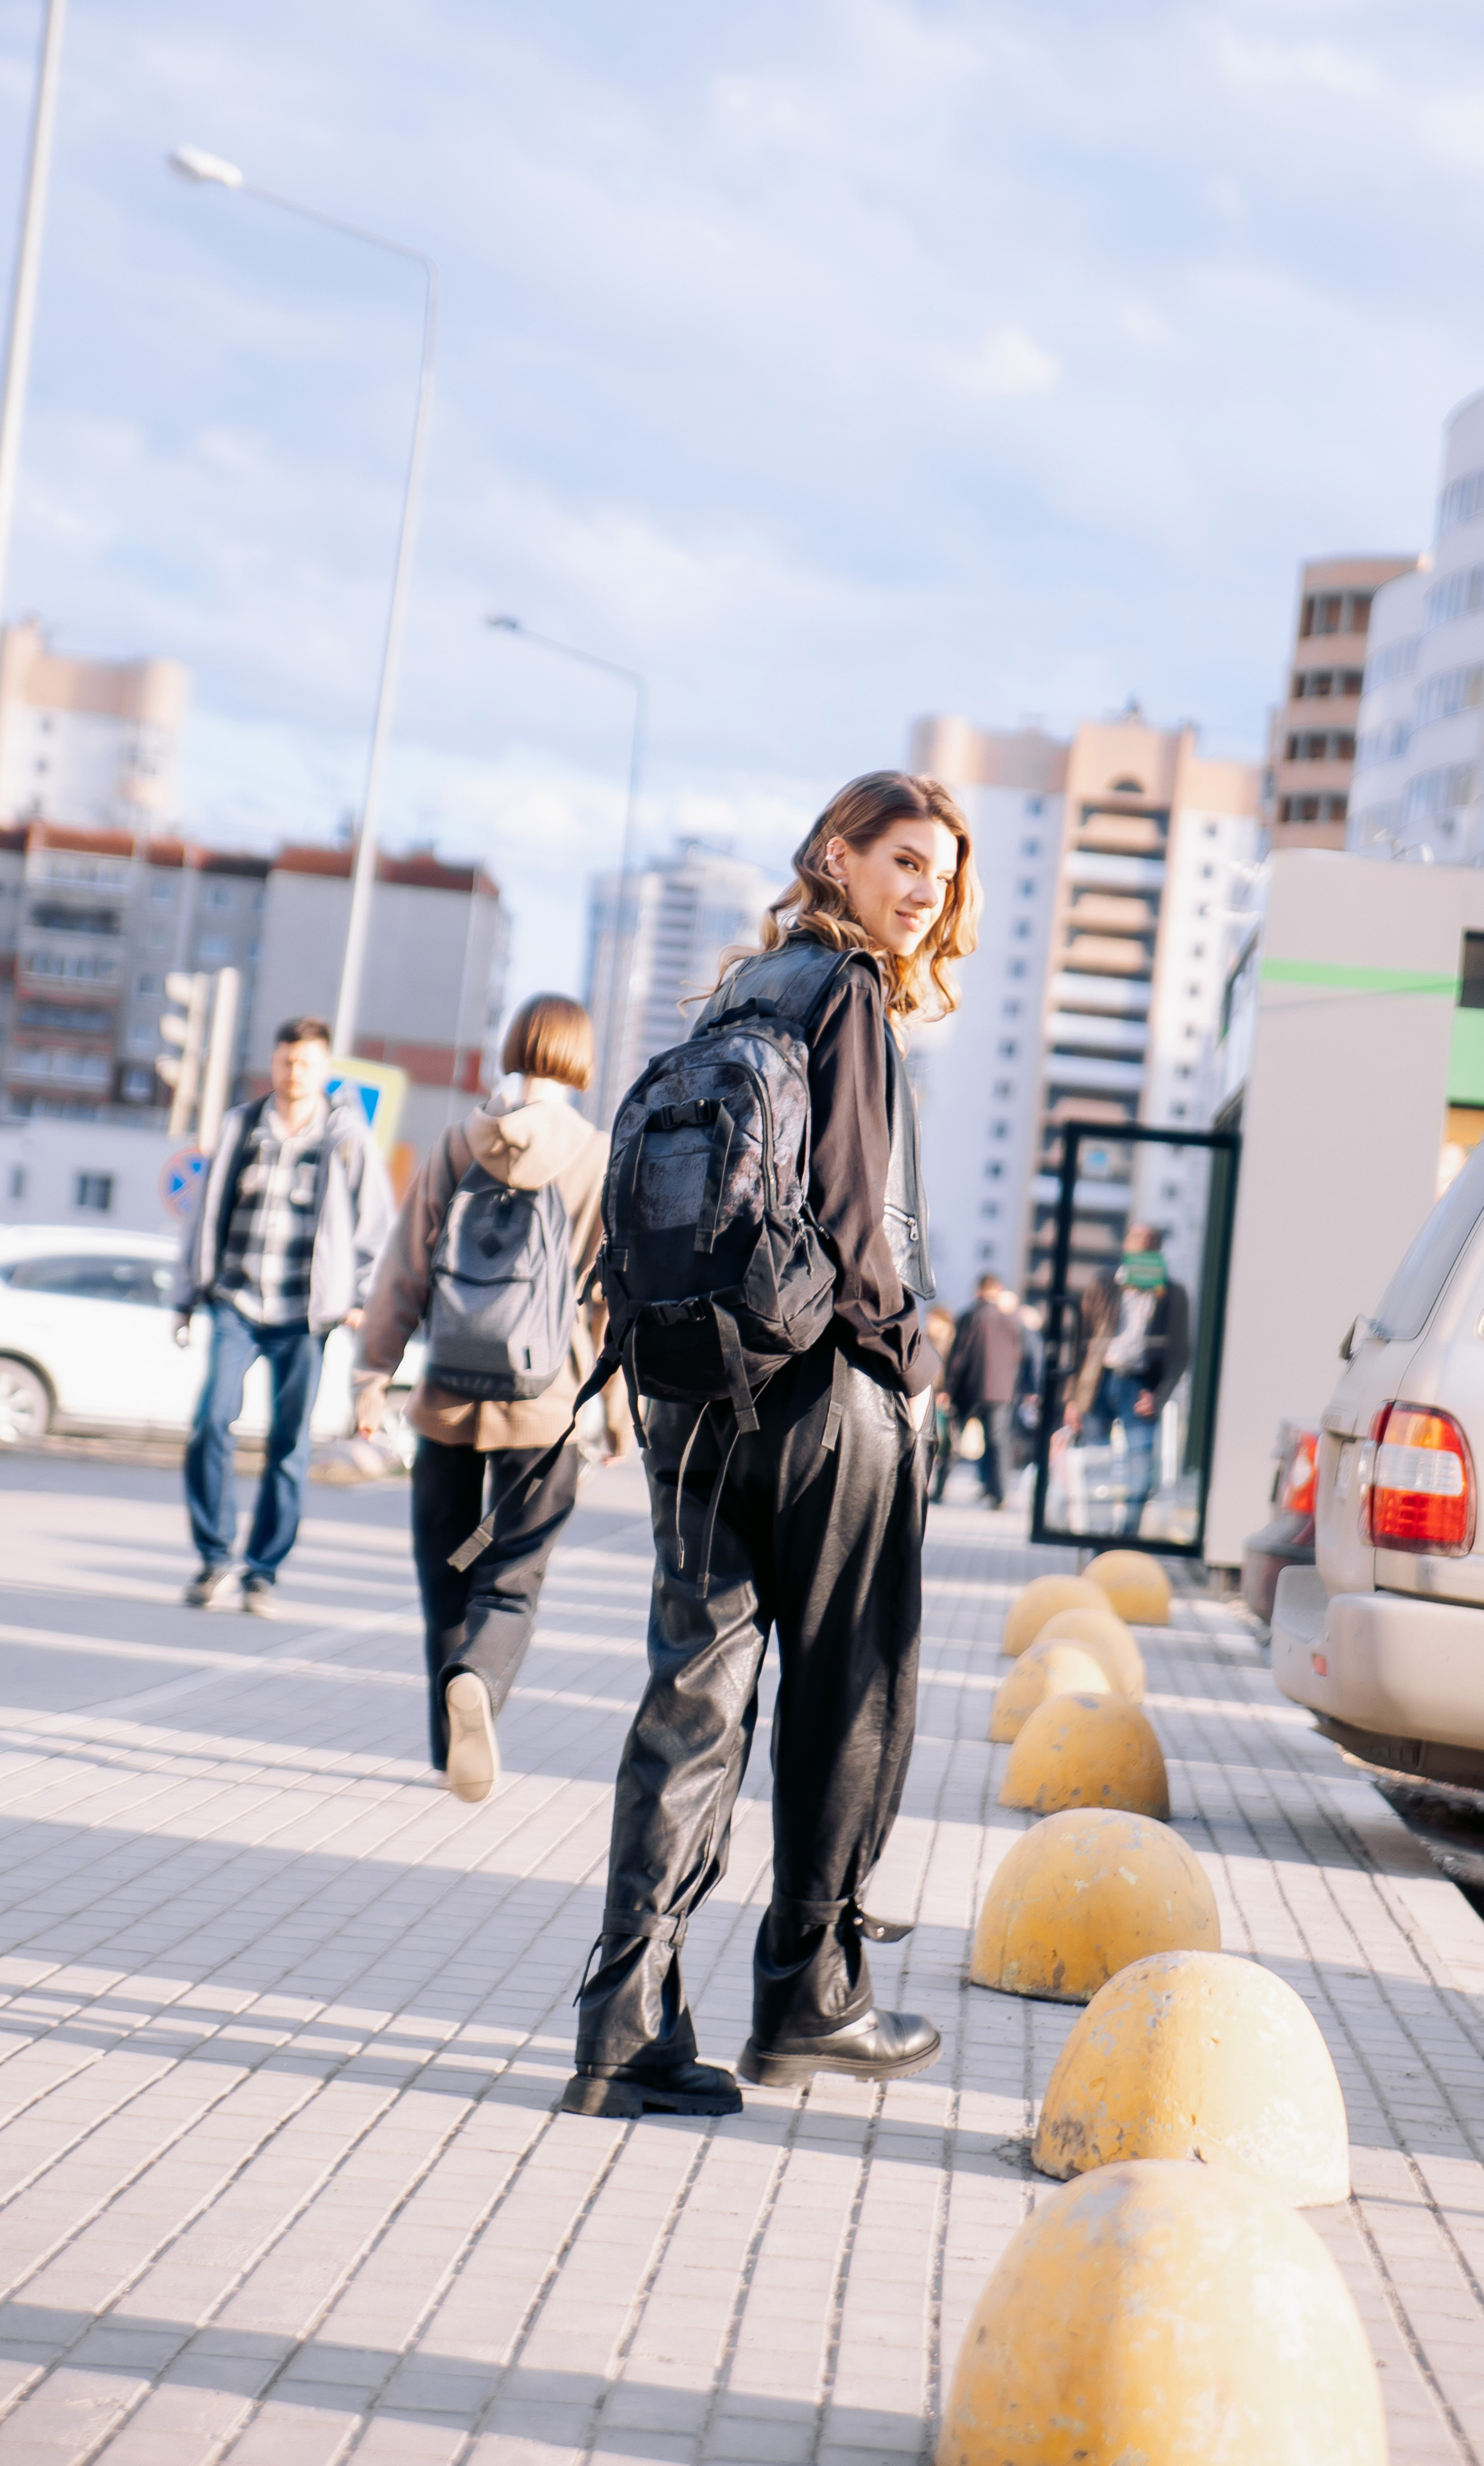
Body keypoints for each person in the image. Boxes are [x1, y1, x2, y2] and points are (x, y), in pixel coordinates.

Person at [564, 768, 980, 2122]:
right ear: (838, 857)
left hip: (694, 1396)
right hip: (824, 1402)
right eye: (904, 861)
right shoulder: (845, 995)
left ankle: (622, 2030)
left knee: (688, 1706)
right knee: (850, 1694)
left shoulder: (733, 994)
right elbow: (859, 1232)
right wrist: (914, 1361)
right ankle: (810, 1999)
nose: (923, 894)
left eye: (942, 874)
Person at [351, 995, 629, 1801]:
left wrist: (373, 1378)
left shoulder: (455, 1141)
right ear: (578, 1057)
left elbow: (402, 1272)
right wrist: (614, 1414)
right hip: (546, 1413)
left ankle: (449, 1750)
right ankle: (479, 1676)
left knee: (446, 1575)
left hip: (445, 1402)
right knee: (510, 1576)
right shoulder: (602, 1156)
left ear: (514, 1050)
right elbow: (616, 1298)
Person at [174, 1016, 394, 1613]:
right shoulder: (242, 1126)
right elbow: (205, 1214)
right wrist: (186, 1293)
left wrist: (358, 1297)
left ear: (324, 1070)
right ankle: (215, 1557)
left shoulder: (346, 1138)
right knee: (209, 1423)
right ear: (274, 1063)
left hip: (305, 1314)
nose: (294, 1071)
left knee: (288, 1445)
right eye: (285, 1060)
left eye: (306, 1063)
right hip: (236, 1301)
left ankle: (262, 1571)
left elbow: (376, 1224)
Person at [1067, 1221, 1191, 1535]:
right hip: (1098, 1382)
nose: (1143, 1250)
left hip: (1140, 1386)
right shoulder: (1104, 1284)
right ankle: (1097, 1537)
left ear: (1158, 1251)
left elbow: (1180, 1352)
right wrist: (1072, 1398)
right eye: (1138, 1243)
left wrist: (1160, 1395)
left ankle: (1126, 1537)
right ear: (1127, 1247)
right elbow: (1080, 1340)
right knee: (1097, 1464)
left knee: (1139, 1467)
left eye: (1150, 1245)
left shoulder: (1172, 1294)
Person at [943, 1272, 1026, 1509]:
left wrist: (949, 1387)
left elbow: (959, 1355)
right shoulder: (1010, 1321)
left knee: (953, 1440)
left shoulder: (970, 1316)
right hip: (1001, 1391)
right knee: (997, 1442)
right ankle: (999, 1493)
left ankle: (939, 1489)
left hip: (970, 1388)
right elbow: (1017, 1356)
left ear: (979, 1290)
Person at [924, 1304, 956, 1503]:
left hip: (944, 1398)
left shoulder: (952, 1340)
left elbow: (953, 1367)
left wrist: (947, 1391)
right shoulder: (924, 1337)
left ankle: (940, 1488)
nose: (930, 1323)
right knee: (928, 1442)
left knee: (945, 1444)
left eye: (933, 1319)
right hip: (926, 1394)